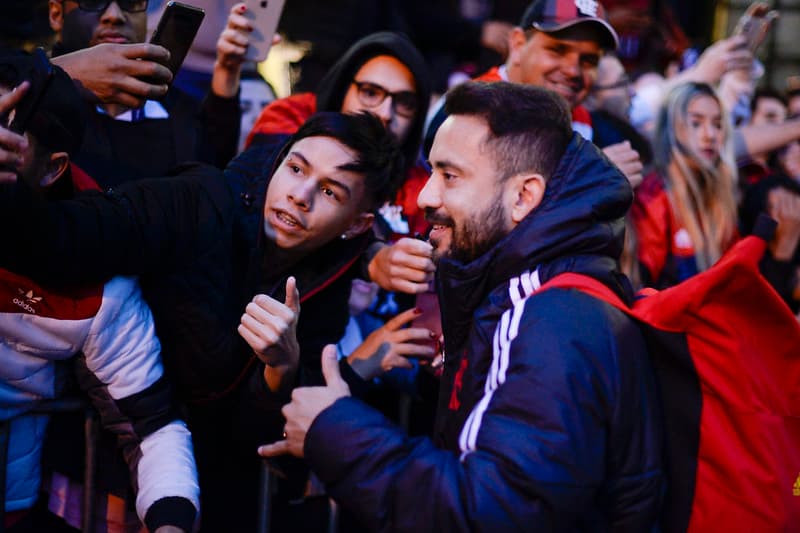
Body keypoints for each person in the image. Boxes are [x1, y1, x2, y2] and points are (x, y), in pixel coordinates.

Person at [259, 81, 664, 530]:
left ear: (523, 197)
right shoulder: (522, 294)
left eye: (450, 176)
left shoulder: (553, 319)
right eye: (430, 172)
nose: (425, 197)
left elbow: (489, 513)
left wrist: (334, 432)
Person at [0, 93, 407, 529]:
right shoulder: (203, 199)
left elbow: (261, 439)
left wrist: (280, 368)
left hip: (202, 490)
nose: (300, 195)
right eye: (295, 168)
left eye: (330, 190)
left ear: (358, 223)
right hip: (106, 466)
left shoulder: (328, 285)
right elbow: (74, 235)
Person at [0, 50, 198, 533]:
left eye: (10, 131)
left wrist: (171, 521)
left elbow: (152, 427)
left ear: (51, 169)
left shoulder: (99, 285)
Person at [424, 0, 651, 188]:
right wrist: (591, 179)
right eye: (557, 50)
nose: (573, 70)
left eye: (588, 60)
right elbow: (489, 222)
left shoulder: (580, 117)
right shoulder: (468, 107)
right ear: (518, 44)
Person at [46, 0, 244, 186]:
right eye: (94, 2)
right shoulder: (30, 103)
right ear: (56, 14)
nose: (114, 16)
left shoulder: (183, 113)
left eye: (132, 2)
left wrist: (228, 70)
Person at [632, 82, 738, 288]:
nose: (710, 135)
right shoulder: (653, 192)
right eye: (696, 123)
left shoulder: (721, 192)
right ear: (671, 128)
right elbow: (642, 286)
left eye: (717, 124)